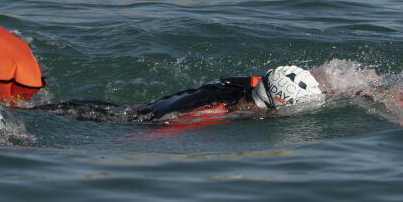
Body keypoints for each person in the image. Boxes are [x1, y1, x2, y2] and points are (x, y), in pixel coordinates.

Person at [44, 64, 327, 127]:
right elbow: (162, 128)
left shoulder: (251, 84)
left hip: (154, 104)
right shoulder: (219, 111)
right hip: (141, 119)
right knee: (110, 116)